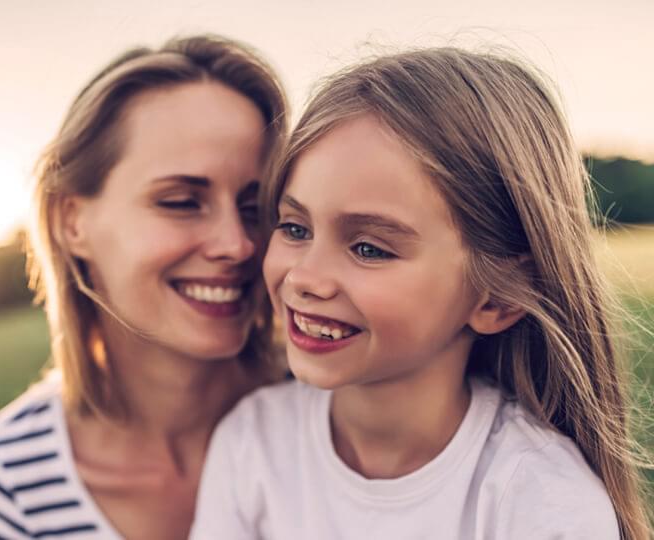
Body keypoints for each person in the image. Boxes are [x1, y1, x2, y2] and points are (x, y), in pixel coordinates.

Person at [190, 47, 652, 539]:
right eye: (295, 228)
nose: (305, 278)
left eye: (368, 248)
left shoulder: (540, 499)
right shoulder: (253, 443)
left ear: (499, 298)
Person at [0, 34, 287, 540]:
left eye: (255, 208)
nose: (237, 244)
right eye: (180, 201)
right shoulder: (7, 488)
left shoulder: (343, 413)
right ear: (72, 222)